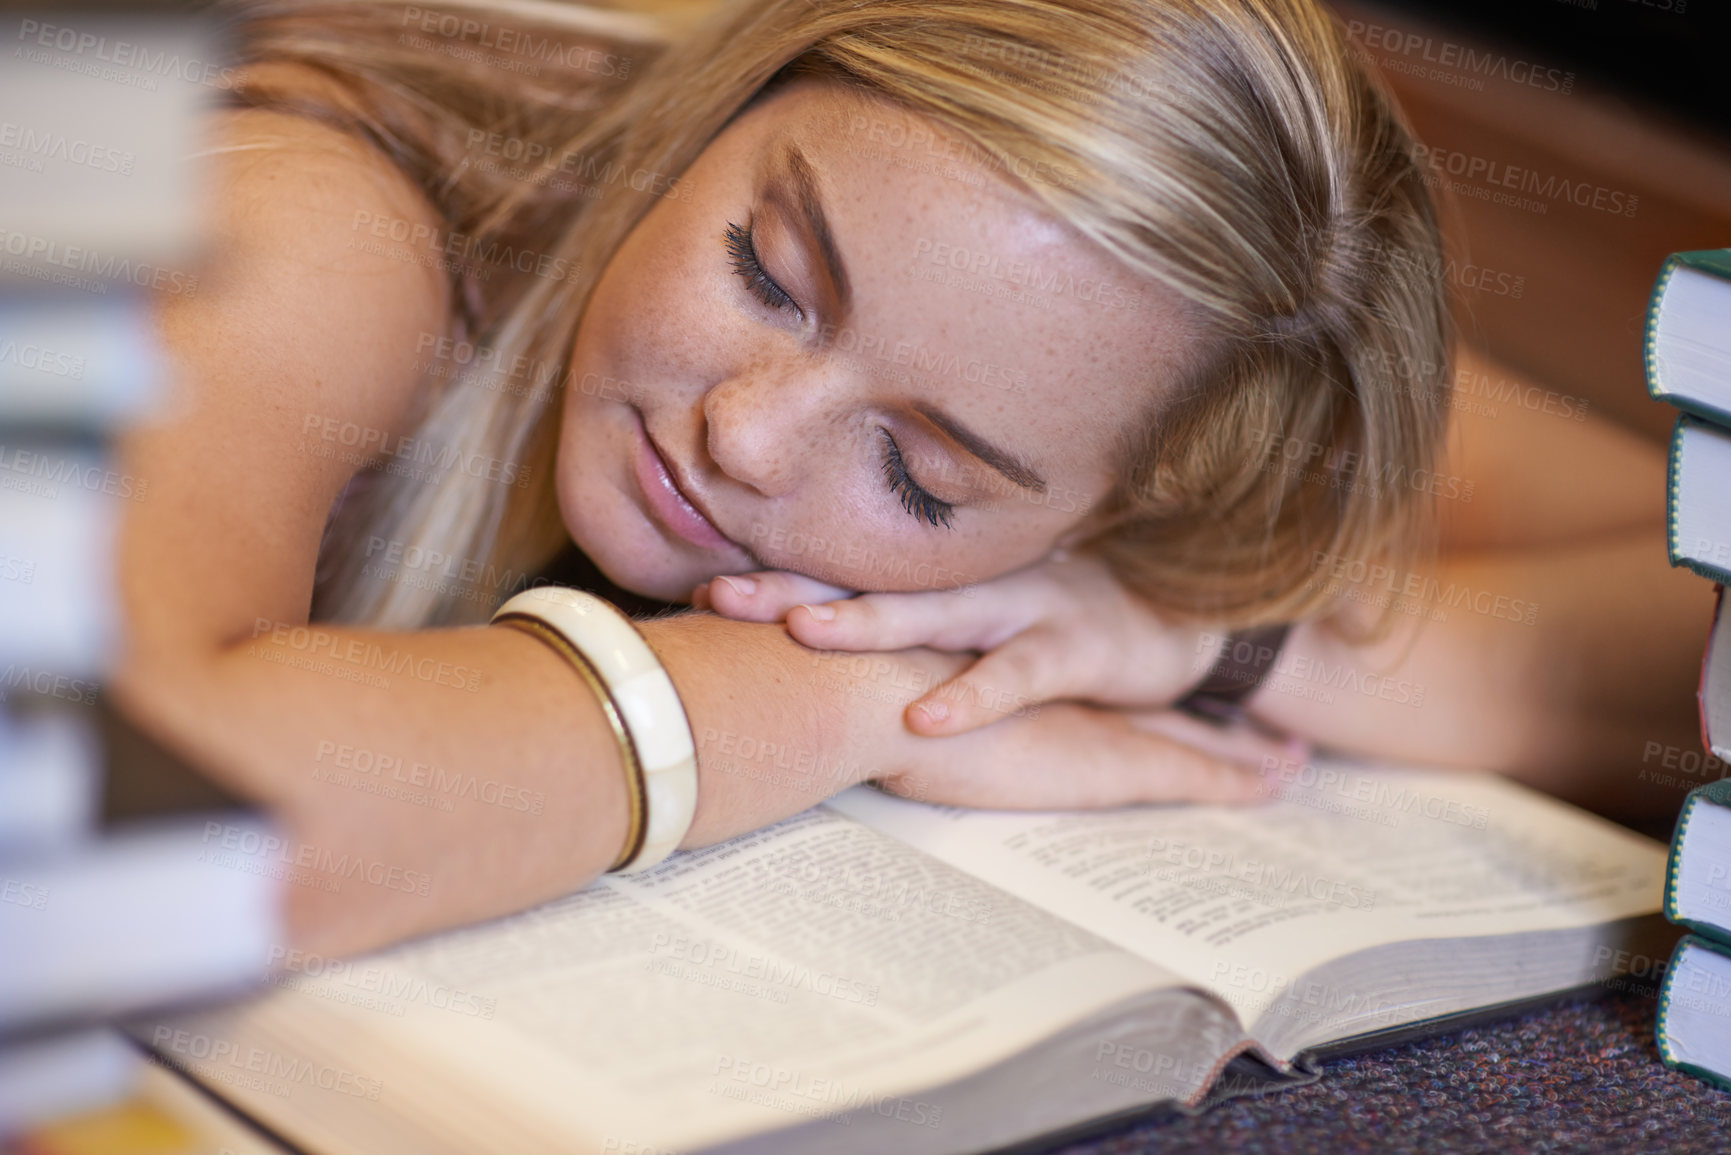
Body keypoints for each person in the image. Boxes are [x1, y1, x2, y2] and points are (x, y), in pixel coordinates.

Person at [113, 0, 1708, 958]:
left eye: (926, 479)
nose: (748, 432)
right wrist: (860, 695)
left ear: (1130, 504)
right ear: (744, 89)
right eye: (766, 267)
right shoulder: (334, 228)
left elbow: (1698, 591)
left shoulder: (1171, 333)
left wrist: (1204, 632)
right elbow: (118, 822)